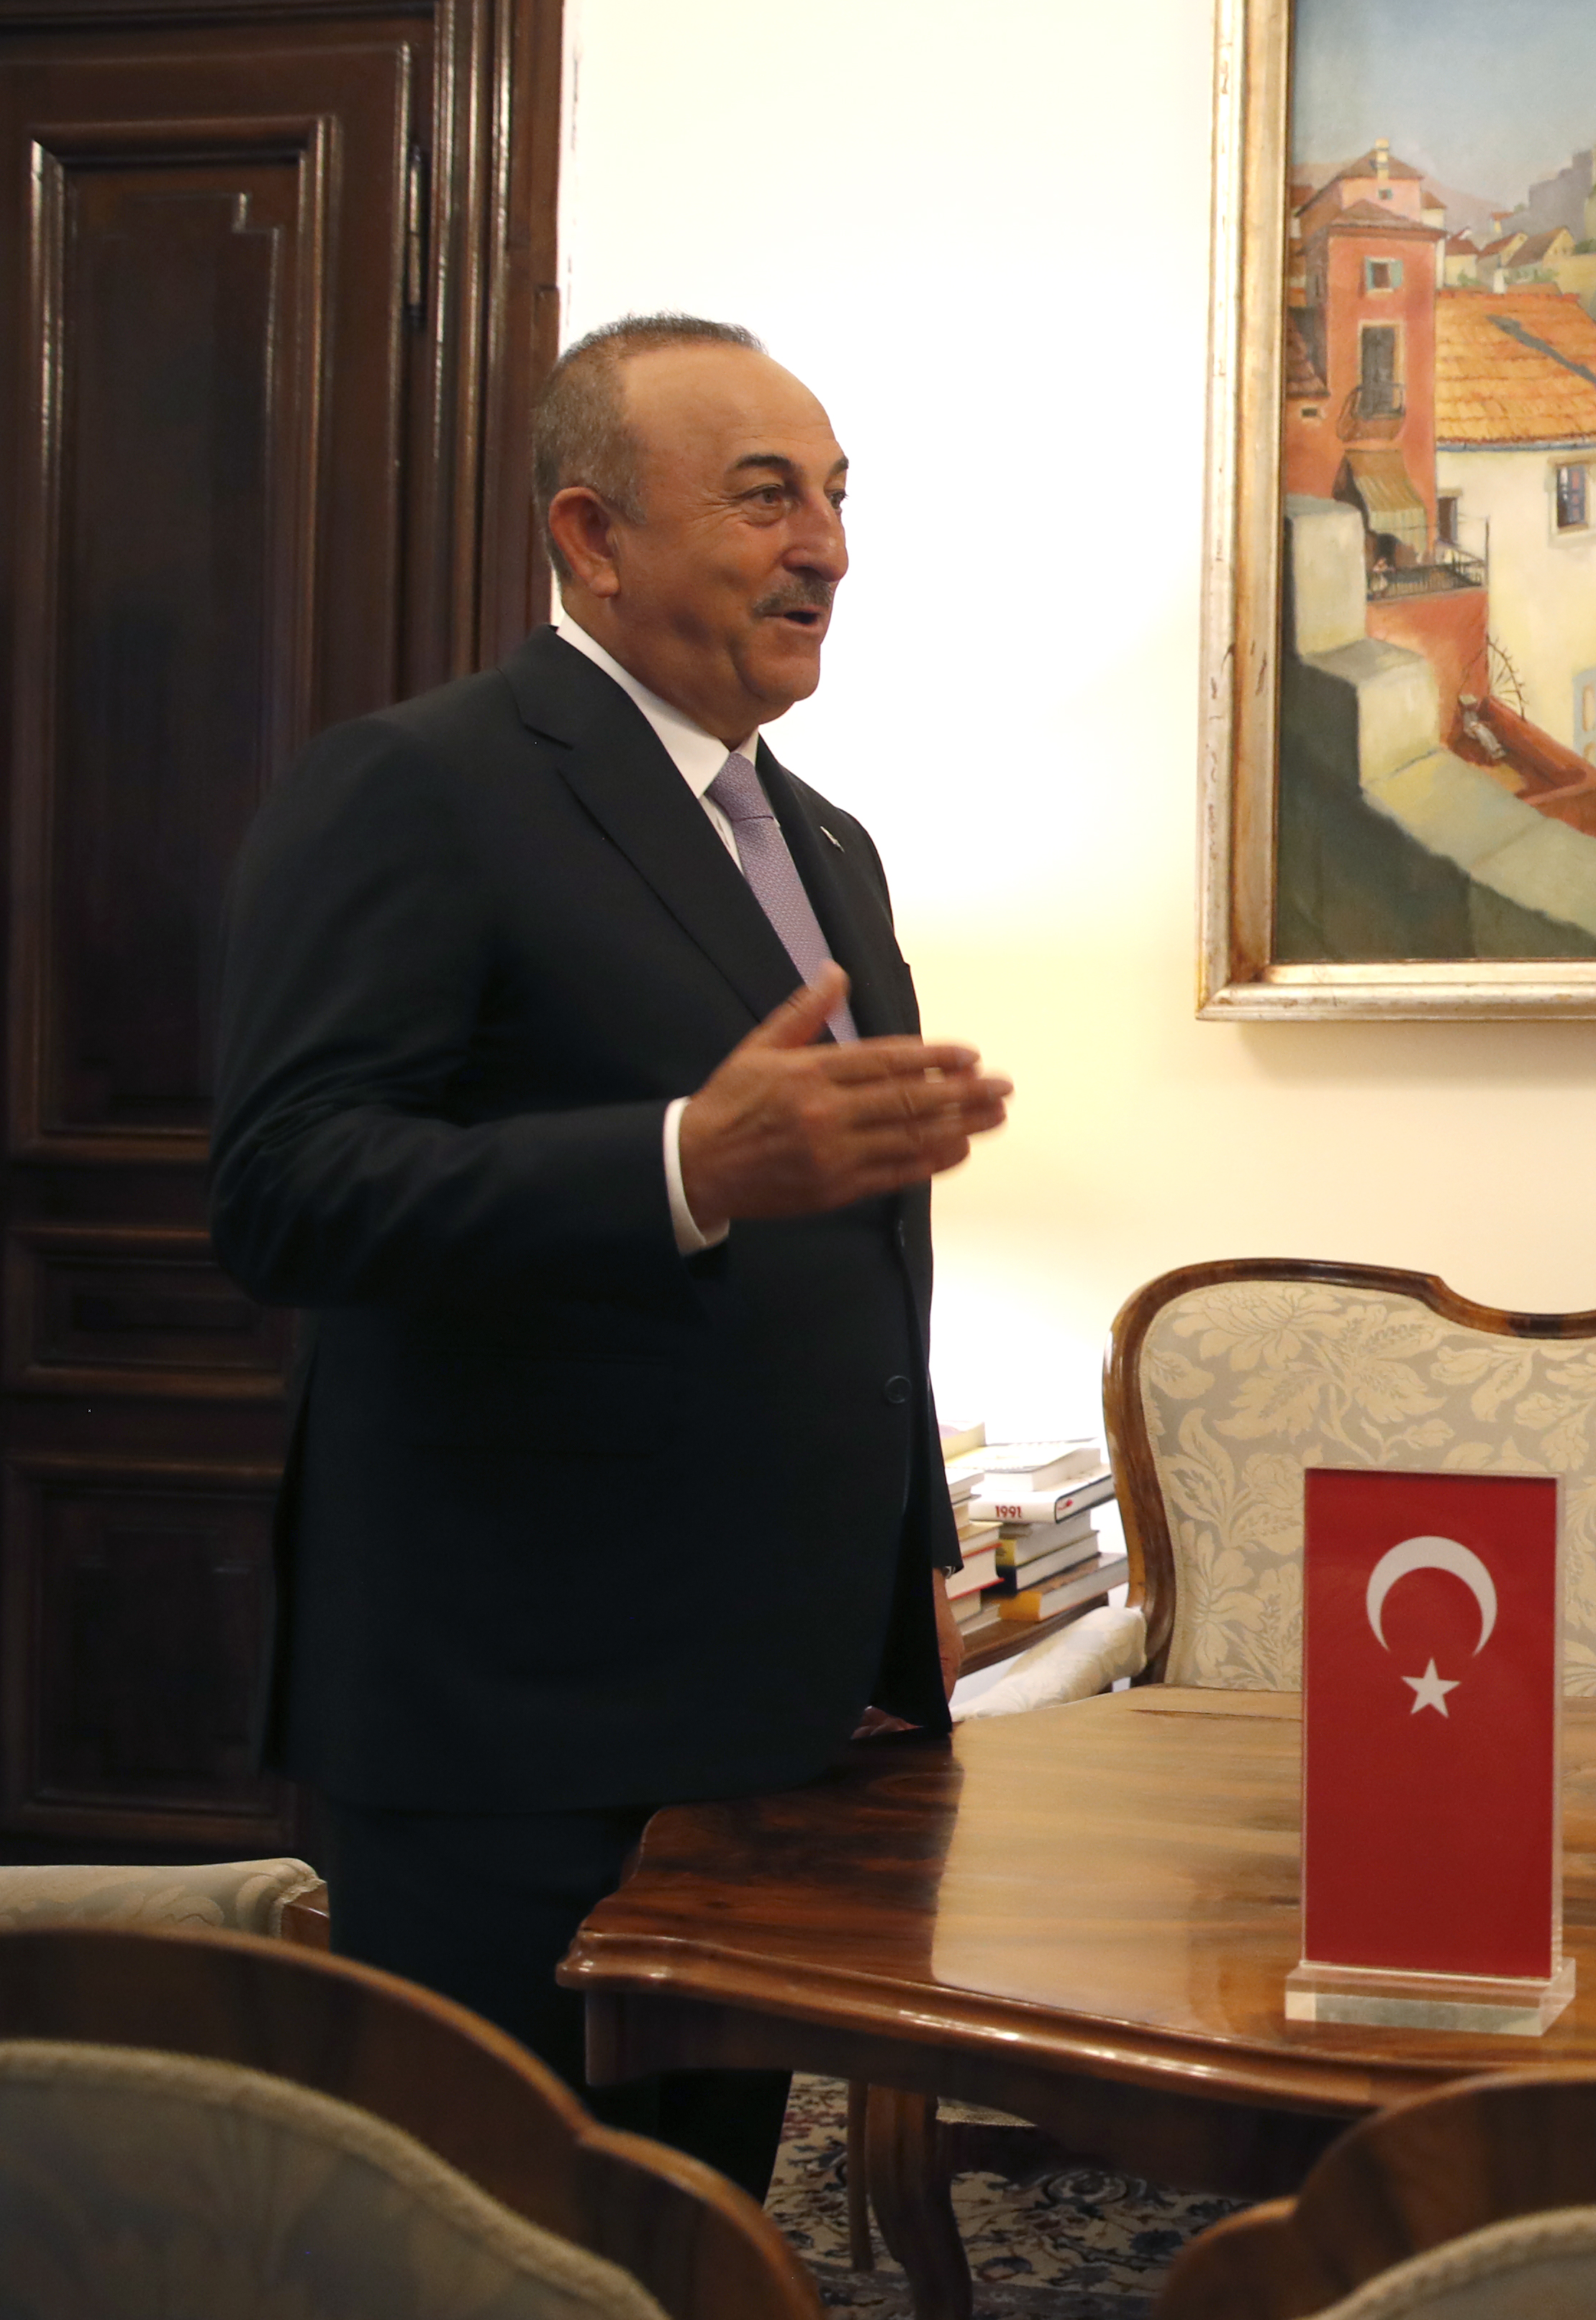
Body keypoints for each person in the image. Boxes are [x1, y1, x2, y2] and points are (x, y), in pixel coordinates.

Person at [212, 314, 1010, 2195]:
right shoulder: (416, 787)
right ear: (589, 534)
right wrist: (675, 1162)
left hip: (778, 1711)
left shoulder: (826, 841)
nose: (824, 544)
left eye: (834, 498)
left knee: (696, 2225)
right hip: (515, 1720)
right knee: (498, 2241)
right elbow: (286, 1193)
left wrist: (912, 1583)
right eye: (763, 499)